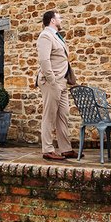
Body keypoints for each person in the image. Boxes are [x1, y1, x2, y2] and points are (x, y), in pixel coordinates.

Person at [36, 10, 77, 161]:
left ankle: (65, 149)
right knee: (49, 115)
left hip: (62, 81)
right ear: (52, 20)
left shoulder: (57, 37)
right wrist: (52, 80)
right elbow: (44, 60)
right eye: (59, 17)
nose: (61, 19)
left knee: (63, 115)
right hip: (51, 82)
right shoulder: (45, 36)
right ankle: (47, 149)